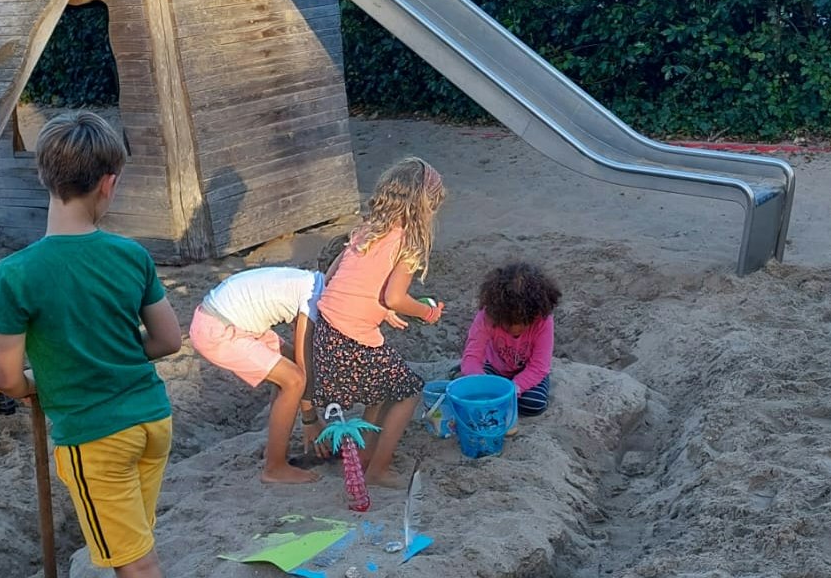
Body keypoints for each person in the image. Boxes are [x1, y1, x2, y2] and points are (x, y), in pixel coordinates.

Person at [0, 112, 182, 578]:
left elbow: (6, 377)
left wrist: (39, 382)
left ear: (43, 177)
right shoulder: (131, 255)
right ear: (108, 184)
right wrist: (111, 356)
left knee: (137, 564)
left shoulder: (16, 273)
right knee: (135, 541)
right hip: (152, 421)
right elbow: (168, 339)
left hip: (94, 438)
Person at [312, 157, 445, 488]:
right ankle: (379, 469)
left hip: (326, 333)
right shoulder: (407, 243)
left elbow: (332, 281)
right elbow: (396, 298)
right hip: (351, 338)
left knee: (380, 390)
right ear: (423, 207)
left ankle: (365, 454)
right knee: (409, 390)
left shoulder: (365, 231)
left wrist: (378, 309)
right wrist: (426, 312)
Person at [189, 266, 326, 484]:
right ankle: (275, 467)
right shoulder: (315, 296)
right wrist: (310, 418)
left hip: (225, 318)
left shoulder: (308, 281)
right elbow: (304, 357)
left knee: (288, 367)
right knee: (294, 379)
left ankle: (276, 448)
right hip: (218, 330)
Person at [459, 261, 560, 416]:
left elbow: (539, 367)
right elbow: (472, 357)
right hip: (494, 367)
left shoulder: (543, 320)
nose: (515, 329)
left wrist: (513, 389)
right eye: (508, 324)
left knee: (535, 404)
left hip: (527, 370)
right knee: (475, 392)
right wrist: (480, 382)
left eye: (522, 323)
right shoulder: (487, 316)